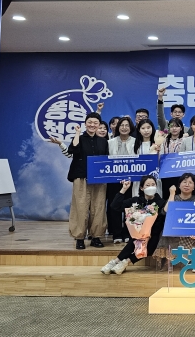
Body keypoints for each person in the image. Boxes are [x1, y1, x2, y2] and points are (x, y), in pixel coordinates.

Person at [100, 176, 166, 275]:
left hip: (153, 235)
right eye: (147, 185)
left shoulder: (161, 202)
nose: (151, 187)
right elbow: (115, 206)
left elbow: (162, 219)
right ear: (142, 188)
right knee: (135, 241)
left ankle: (125, 262)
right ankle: (115, 262)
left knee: (151, 246)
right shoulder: (136, 201)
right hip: (137, 234)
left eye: (153, 185)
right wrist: (124, 189)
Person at [66, 112, 109, 250]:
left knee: (99, 207)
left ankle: (96, 237)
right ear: (85, 123)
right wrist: (77, 133)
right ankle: (79, 238)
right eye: (89, 122)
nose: (92, 125)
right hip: (81, 177)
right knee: (80, 207)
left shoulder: (103, 141)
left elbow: (106, 160)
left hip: (99, 179)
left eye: (95, 123)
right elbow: (72, 150)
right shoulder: (79, 138)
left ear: (99, 125)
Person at [152, 173, 195, 264]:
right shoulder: (174, 198)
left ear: (194, 187)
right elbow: (165, 211)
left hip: (190, 233)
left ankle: (194, 261)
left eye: (190, 183)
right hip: (174, 231)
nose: (187, 185)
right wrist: (172, 194)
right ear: (179, 185)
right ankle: (169, 260)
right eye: (184, 182)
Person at [107, 116, 136, 243]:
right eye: (122, 125)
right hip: (114, 181)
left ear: (131, 128)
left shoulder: (136, 141)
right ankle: (117, 234)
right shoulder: (110, 142)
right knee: (114, 206)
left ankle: (127, 233)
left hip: (131, 181)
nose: (124, 128)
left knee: (129, 207)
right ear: (118, 127)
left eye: (127, 125)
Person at [158, 117, 185, 199]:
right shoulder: (163, 140)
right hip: (166, 172)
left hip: (180, 172)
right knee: (166, 194)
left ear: (181, 128)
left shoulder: (185, 140)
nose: (174, 128)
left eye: (176, 126)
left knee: (179, 194)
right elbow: (160, 156)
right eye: (172, 126)